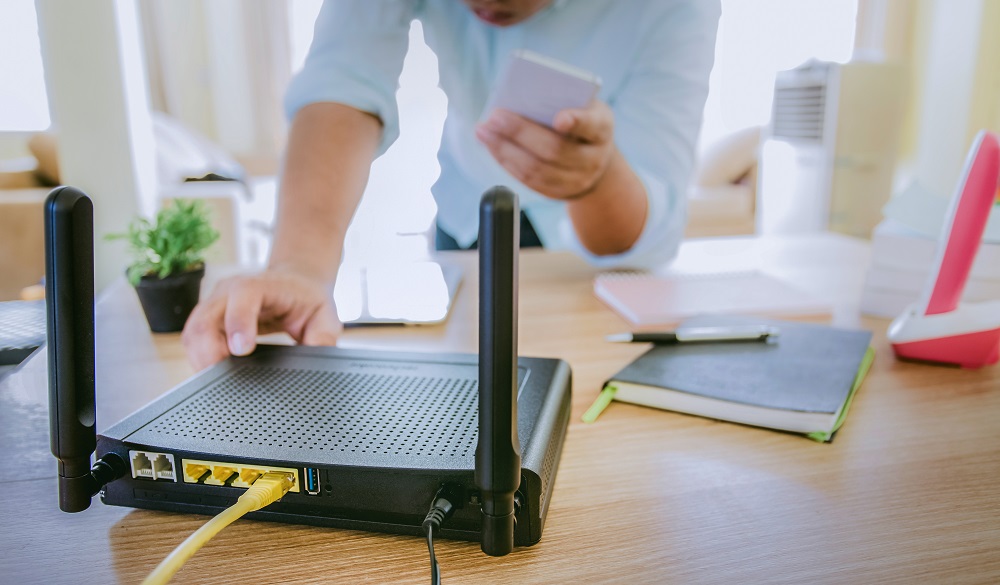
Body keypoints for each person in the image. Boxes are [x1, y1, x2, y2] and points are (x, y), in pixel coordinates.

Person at [181, 0, 720, 370]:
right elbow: (344, 78)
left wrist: (595, 179)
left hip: (592, 259)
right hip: (466, 215)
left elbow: (649, 215)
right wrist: (299, 268)